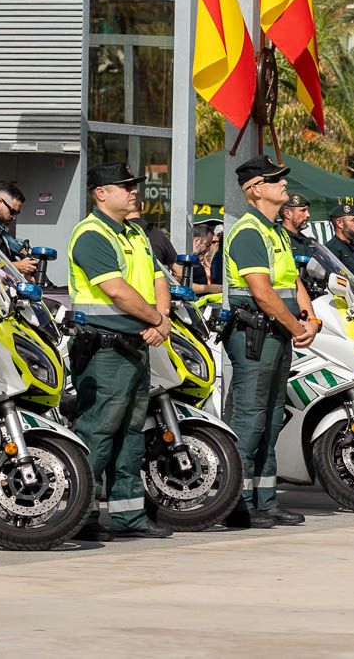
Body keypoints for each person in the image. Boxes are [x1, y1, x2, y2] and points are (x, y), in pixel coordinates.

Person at [67, 159, 173, 540]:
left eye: (133, 186)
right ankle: (82, 517)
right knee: (98, 431)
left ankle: (129, 515)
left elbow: (160, 278)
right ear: (100, 193)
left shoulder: (135, 233)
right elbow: (115, 290)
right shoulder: (92, 233)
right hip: (105, 349)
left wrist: (161, 317)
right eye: (125, 186)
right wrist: (156, 321)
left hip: (135, 345)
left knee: (131, 432)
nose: (133, 192)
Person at [222, 155, 320, 527]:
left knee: (271, 419)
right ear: (256, 190)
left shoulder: (275, 230)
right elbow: (262, 293)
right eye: (275, 179)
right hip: (256, 335)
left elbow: (292, 282)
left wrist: (310, 319)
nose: (284, 184)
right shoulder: (249, 231)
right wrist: (298, 328)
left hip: (276, 335)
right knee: (249, 422)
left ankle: (265, 500)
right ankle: (238, 503)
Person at [182, 217, 224, 295]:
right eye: (207, 245)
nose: (208, 249)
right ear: (197, 241)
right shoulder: (184, 259)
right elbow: (182, 285)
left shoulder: (195, 259)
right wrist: (209, 288)